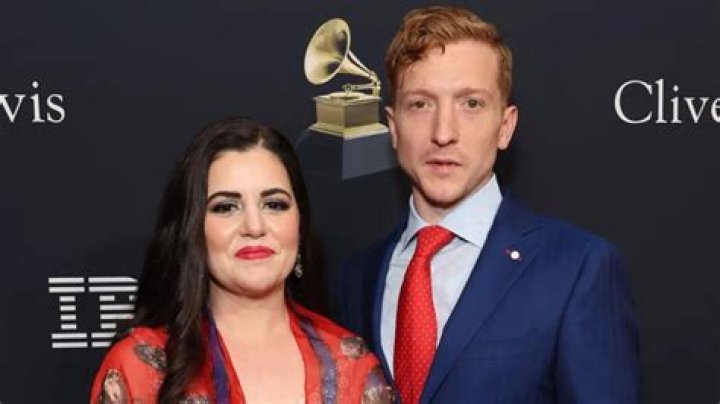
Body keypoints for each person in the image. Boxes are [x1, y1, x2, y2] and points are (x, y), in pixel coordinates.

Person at [334, 6, 640, 404]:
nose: (444, 132)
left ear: (505, 126)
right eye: (421, 105)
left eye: (471, 104)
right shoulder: (356, 278)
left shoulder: (578, 269)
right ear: (393, 128)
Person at [91, 118, 394, 403]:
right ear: (193, 228)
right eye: (226, 207)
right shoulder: (143, 367)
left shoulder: (351, 365)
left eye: (274, 204)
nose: (254, 226)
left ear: (300, 225)